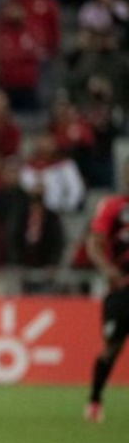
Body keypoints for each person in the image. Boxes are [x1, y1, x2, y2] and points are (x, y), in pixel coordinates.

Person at [84, 173, 129, 422]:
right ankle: (94, 400)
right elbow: (95, 242)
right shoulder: (113, 206)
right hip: (122, 289)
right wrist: (109, 270)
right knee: (112, 346)